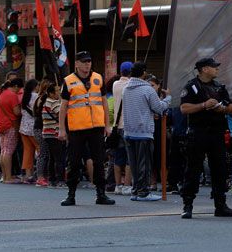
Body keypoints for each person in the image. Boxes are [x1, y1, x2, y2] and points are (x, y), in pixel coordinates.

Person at [179, 57, 232, 219]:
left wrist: (222, 109)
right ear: (204, 69)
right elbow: (184, 108)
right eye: (214, 67)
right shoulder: (192, 86)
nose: (217, 69)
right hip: (198, 132)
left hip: (217, 133)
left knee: (220, 169)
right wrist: (203, 105)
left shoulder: (219, 87)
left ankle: (221, 205)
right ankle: (188, 205)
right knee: (193, 169)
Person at [59, 52, 114, 206]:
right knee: (74, 162)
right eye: (83, 62)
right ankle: (71, 195)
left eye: (89, 61)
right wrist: (62, 129)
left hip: (96, 127)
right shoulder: (68, 81)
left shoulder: (98, 78)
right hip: (76, 128)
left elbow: (104, 103)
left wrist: (107, 125)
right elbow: (63, 107)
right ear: (76, 63)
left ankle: (101, 194)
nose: (87, 64)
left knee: (99, 161)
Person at [122, 62, 171, 202]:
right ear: (143, 72)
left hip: (128, 130)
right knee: (145, 164)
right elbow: (159, 107)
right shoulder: (147, 89)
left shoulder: (126, 88)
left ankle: (135, 190)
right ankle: (143, 192)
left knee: (134, 164)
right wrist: (168, 98)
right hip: (143, 131)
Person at [111, 61, 133, 196]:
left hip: (116, 126)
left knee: (118, 157)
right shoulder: (130, 85)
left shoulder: (115, 84)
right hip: (128, 126)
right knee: (129, 158)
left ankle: (118, 186)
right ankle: (127, 186)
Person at [0, 78, 22, 183]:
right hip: (10, 125)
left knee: (3, 151)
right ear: (15, 86)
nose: (18, 91)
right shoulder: (12, 95)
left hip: (0, 125)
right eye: (18, 89)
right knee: (8, 152)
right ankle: (8, 177)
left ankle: (5, 176)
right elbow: (16, 112)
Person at [41, 79, 65, 187]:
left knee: (52, 157)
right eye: (57, 91)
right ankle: (60, 180)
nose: (59, 92)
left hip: (46, 133)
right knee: (59, 157)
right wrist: (61, 101)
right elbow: (62, 115)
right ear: (51, 93)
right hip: (54, 133)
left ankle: (52, 179)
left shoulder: (45, 102)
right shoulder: (54, 103)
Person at [19, 79, 39, 184]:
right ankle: (41, 174)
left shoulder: (23, 96)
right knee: (40, 150)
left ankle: (28, 175)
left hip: (23, 127)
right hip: (33, 127)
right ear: (34, 87)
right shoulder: (36, 96)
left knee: (28, 151)